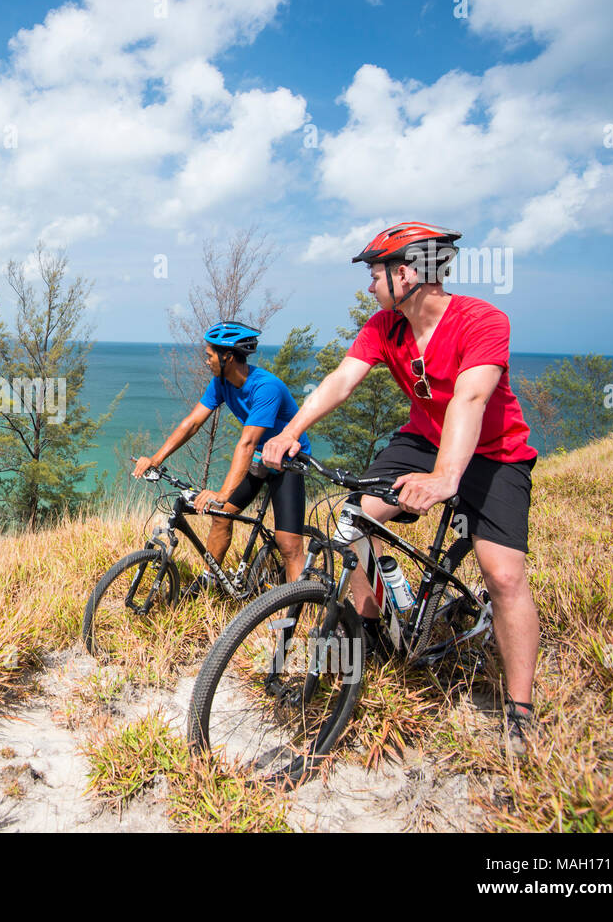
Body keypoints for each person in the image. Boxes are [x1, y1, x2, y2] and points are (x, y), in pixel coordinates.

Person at [261, 221, 540, 755]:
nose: (370, 285)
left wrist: (445, 478)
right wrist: (289, 433)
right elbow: (341, 381)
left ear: (407, 273)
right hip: (421, 439)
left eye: (375, 273)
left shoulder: (482, 320)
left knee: (503, 576)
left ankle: (520, 710)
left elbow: (471, 400)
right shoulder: (384, 326)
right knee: (352, 521)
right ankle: (372, 624)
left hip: (495, 451)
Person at [133, 321, 313, 593]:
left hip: (288, 461)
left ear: (227, 356)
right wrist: (155, 459)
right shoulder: (221, 383)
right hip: (261, 459)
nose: (206, 361)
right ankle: (210, 582)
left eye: (209, 355)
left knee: (289, 544)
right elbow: (191, 423)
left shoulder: (266, 388)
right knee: (221, 515)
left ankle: (300, 611)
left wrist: (224, 492)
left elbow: (247, 443)